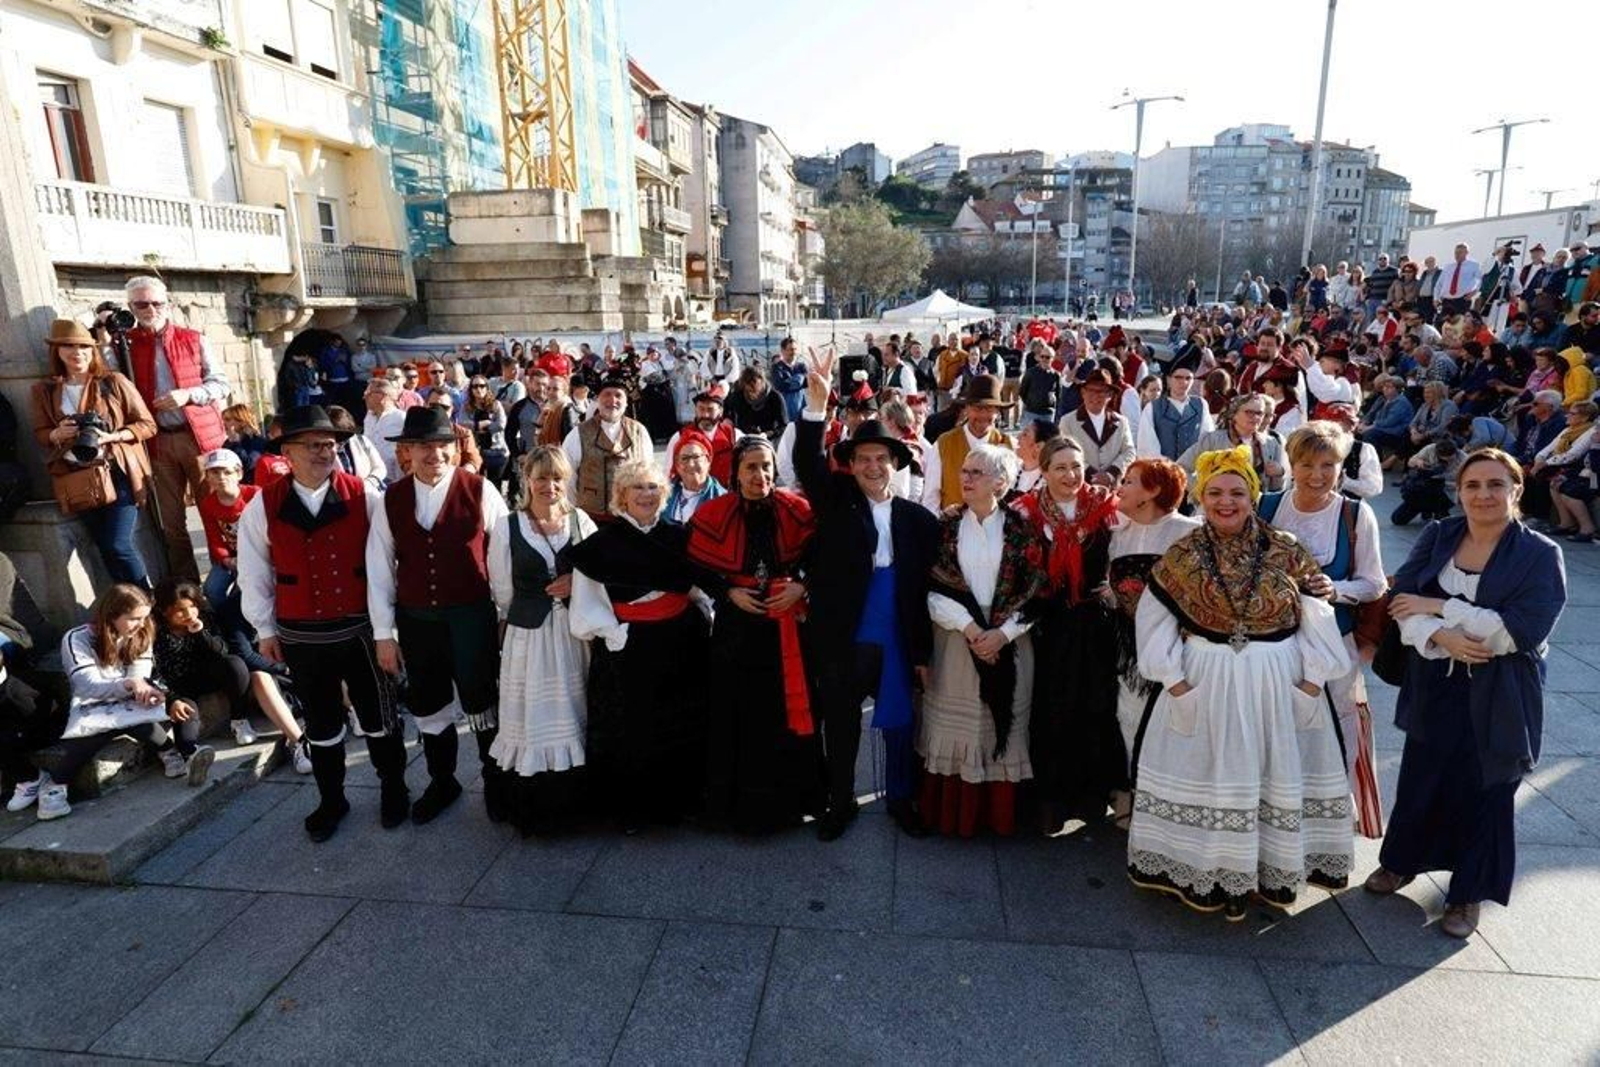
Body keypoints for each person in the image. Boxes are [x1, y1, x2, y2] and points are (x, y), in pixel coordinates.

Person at [1129, 446, 1353, 921]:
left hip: (1277, 681)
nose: (1225, 502)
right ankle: (1207, 871)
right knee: (1210, 777)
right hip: (1204, 679)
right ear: (1201, 498)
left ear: (1253, 497)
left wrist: (1312, 682)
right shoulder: (1182, 555)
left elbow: (1316, 615)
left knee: (1271, 776)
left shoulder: (1286, 548)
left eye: (1236, 492)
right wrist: (1175, 683)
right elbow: (1153, 620)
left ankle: (1266, 871)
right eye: (1215, 493)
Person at [1369, 450, 1566, 938]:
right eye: (1473, 485)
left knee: (1488, 788)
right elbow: (1401, 605)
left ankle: (1467, 893)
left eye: (1496, 484)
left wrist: (1440, 607)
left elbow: (1516, 633)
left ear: (1516, 489)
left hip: (1503, 690)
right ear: (1458, 491)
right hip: (1435, 680)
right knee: (1422, 774)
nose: (1483, 495)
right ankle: (1400, 862)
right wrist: (1442, 636)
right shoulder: (1439, 535)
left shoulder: (1540, 554)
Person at [237, 405, 409, 842]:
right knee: (321, 721)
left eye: (330, 445)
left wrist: (387, 630)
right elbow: (253, 571)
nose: (324, 452)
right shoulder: (263, 504)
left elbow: (387, 565)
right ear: (288, 453)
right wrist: (264, 628)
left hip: (359, 628)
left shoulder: (364, 496)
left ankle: (394, 788)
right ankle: (332, 800)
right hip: (300, 632)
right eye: (313, 445)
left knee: (379, 714)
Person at [793, 349, 939, 841]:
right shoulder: (837, 504)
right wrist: (816, 407)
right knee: (841, 723)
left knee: (900, 725)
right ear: (851, 466)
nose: (873, 467)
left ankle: (900, 799)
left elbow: (930, 588)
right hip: (844, 636)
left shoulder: (918, 521)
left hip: (897, 636)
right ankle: (840, 802)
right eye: (864, 459)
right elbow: (807, 464)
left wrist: (923, 652)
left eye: (881, 459)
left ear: (895, 464)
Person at [368, 405, 511, 825]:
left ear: (455, 446)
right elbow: (379, 568)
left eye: (443, 444)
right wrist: (384, 632)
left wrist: (506, 614)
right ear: (406, 452)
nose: (435, 454)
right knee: (429, 703)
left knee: (481, 699)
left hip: (471, 616)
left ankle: (495, 780)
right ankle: (443, 781)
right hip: (416, 620)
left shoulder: (480, 490)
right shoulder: (390, 499)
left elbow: (502, 556)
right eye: (424, 446)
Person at [686, 437, 822, 833]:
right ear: (735, 472)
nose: (759, 475)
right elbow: (694, 565)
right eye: (751, 467)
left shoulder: (798, 510)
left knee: (786, 712)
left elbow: (821, 554)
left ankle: (793, 803)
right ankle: (738, 807)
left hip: (787, 623)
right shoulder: (714, 514)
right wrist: (727, 592)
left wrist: (801, 586)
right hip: (738, 628)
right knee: (738, 712)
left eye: (766, 466)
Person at [569, 459, 712, 833]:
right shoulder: (603, 544)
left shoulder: (680, 536)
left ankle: (682, 802)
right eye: (637, 487)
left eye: (652, 487)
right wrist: (614, 634)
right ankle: (634, 811)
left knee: (681, 722)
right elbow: (587, 602)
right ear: (621, 495)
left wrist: (704, 618)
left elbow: (699, 588)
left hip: (680, 641)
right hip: (627, 646)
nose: (646, 494)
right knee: (632, 727)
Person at [918, 443, 1044, 837]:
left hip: (1010, 641)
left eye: (977, 473)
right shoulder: (945, 526)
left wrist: (1003, 634)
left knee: (1000, 723)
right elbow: (932, 586)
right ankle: (955, 816)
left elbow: (1038, 591)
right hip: (957, 639)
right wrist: (972, 629)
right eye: (965, 471)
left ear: (1001, 483)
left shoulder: (1023, 529)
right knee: (961, 726)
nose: (966, 478)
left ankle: (999, 816)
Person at [1258, 424, 1386, 801]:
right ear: (1291, 464)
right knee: (1277, 728)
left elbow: (1374, 583)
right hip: (1273, 645)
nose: (1317, 475)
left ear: (1341, 467)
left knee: (1335, 728)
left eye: (1328, 465)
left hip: (1334, 645)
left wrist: (1337, 589)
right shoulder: (1266, 506)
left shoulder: (1355, 514)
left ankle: (1330, 813)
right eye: (1307, 464)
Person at [1012, 437, 1122, 832]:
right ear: (1043, 471)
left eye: (1076, 466)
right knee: (1050, 710)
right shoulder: (1026, 512)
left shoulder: (1106, 507)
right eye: (1060, 467)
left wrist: (1114, 590)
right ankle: (1050, 802)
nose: (1071, 475)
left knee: (1095, 707)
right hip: (1049, 626)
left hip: (1094, 624)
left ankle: (1091, 799)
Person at [487, 446, 597, 836]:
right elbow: (502, 589)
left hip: (573, 634)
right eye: (541, 478)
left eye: (557, 478)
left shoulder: (581, 521)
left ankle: (575, 804)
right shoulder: (508, 526)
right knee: (533, 714)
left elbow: (599, 573)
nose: (549, 486)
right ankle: (536, 807)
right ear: (528, 481)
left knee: (573, 707)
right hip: (529, 636)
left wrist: (576, 582)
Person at [45, 584, 217, 820]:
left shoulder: (142, 632)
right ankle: (55, 785)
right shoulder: (77, 638)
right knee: (98, 730)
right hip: (92, 702)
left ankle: (178, 752)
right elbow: (87, 684)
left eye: (144, 617)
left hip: (129, 700)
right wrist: (129, 685)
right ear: (111, 615)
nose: (141, 624)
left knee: (163, 711)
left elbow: (140, 676)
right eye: (134, 619)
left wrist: (147, 691)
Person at [1105, 459, 1199, 827]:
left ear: (1153, 491)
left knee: (1169, 724)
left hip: (1176, 649)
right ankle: (1131, 796)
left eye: (1130, 481)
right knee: (1127, 719)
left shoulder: (1189, 533)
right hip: (1127, 647)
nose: (1121, 487)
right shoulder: (1117, 534)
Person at [29, 318, 155, 587]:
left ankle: (149, 600)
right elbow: (40, 432)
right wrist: (56, 434)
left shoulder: (113, 382)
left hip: (117, 471)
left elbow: (147, 425)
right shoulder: (44, 390)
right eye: (69, 346)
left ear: (93, 350)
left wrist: (112, 436)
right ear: (57, 351)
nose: (77, 353)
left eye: (84, 347)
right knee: (103, 547)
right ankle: (128, 606)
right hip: (77, 477)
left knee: (119, 544)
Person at [122, 277, 231, 581]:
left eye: (156, 303)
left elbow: (221, 383)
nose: (150, 309)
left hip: (198, 439)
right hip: (157, 442)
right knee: (171, 524)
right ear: (131, 307)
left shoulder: (193, 338)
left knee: (217, 514)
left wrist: (189, 395)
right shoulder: (124, 344)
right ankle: (189, 591)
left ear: (167, 304)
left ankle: (225, 582)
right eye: (142, 304)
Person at [561, 377, 653, 520]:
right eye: (607, 394)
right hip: (591, 518)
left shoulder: (639, 432)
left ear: (626, 403)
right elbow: (568, 480)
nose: (612, 400)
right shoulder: (578, 434)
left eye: (618, 395)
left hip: (630, 517)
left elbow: (648, 473)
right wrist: (574, 516)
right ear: (597, 400)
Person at [920, 374, 1015, 512]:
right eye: (977, 408)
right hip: (953, 523)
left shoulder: (1008, 445)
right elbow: (931, 497)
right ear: (966, 409)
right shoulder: (944, 444)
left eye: (989, 409)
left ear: (997, 412)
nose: (983, 415)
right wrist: (939, 522)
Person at [1179, 393, 1288, 495]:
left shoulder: (1270, 443)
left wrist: (1279, 473)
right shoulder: (1213, 440)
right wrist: (1204, 490)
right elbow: (1181, 468)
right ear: (1234, 415)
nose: (1255, 417)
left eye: (1259, 413)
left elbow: (1277, 489)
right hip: (1219, 505)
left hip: (1256, 506)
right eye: (1249, 412)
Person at [1059, 367, 1134, 489]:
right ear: (1083, 393)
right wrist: (1091, 475)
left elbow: (1129, 451)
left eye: (1101, 391)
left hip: (1111, 489)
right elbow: (1065, 453)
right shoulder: (1067, 421)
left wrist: (1111, 474)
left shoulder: (1121, 422)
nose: (1095, 396)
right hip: (1079, 487)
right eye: (1090, 390)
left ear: (1110, 395)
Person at [665, 384, 741, 488]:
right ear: (695, 410)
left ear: (720, 411)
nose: (705, 415)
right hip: (694, 494)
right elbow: (668, 474)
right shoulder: (679, 437)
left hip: (726, 492)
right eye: (701, 409)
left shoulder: (733, 434)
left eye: (710, 410)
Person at [1135, 366, 1213, 461]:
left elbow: (1207, 439)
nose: (1184, 382)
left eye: (1188, 378)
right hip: (1163, 467)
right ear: (1169, 379)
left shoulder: (1200, 404)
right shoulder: (1153, 407)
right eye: (1178, 377)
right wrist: (1169, 465)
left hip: (1194, 467)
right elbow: (1147, 446)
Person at [663, 428, 726, 525]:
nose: (691, 464)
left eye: (696, 457)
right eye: (684, 458)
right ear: (677, 465)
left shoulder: (722, 500)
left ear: (708, 461)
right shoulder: (664, 496)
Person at [460, 376, 511, 485]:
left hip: (496, 450)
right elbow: (462, 423)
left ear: (487, 388)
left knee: (495, 485)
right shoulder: (466, 406)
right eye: (475, 386)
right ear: (471, 389)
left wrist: (487, 426)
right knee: (476, 484)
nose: (479, 389)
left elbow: (501, 424)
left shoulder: (496, 404)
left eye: (482, 386)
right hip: (476, 450)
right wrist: (478, 425)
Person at [326, 405, 387, 490]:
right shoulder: (320, 449)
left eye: (346, 435)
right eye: (338, 436)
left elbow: (380, 467)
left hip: (367, 491)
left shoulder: (362, 440)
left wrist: (368, 483)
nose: (342, 441)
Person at [724, 365, 788, 438]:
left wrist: (768, 434)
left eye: (755, 389)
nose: (752, 395)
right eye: (749, 390)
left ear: (762, 382)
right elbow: (727, 413)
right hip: (744, 437)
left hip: (768, 438)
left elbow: (783, 425)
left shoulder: (775, 397)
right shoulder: (738, 396)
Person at [362, 376, 406, 479]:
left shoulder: (401, 418)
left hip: (393, 478)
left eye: (369, 393)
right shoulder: (369, 417)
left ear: (382, 396)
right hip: (371, 476)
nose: (364, 397)